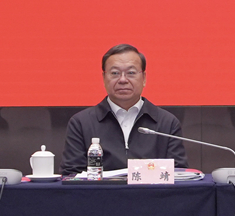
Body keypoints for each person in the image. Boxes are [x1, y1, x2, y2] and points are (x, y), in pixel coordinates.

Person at [61, 44, 188, 176]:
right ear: (104, 78)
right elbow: (71, 175)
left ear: (144, 78)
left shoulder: (167, 123)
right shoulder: (81, 123)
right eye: (115, 73)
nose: (122, 80)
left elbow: (179, 174)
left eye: (131, 73)